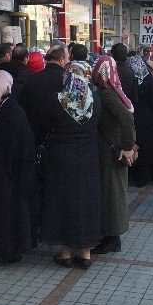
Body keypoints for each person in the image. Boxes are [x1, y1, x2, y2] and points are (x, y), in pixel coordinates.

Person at [39, 61, 103, 269]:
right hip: (88, 158)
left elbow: (45, 124)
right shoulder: (95, 100)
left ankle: (65, 252)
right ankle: (85, 253)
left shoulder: (55, 100)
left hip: (61, 158)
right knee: (86, 201)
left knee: (62, 201)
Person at [0, 71, 39, 265]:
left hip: (5, 172)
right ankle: (0, 249)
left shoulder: (2, 109)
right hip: (2, 172)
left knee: (4, 213)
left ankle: (5, 250)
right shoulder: (3, 108)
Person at [91, 56, 137, 255]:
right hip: (112, 149)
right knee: (111, 191)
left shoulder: (107, 95)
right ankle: (110, 234)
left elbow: (126, 118)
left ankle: (113, 237)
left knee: (112, 193)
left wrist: (127, 146)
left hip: (112, 152)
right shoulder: (111, 91)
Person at [127, 46, 153, 187]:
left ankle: (138, 177)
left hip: (133, 117)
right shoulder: (148, 79)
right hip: (148, 118)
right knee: (148, 147)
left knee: (135, 145)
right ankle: (151, 174)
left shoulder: (128, 80)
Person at [21, 44, 70, 146]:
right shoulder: (68, 81)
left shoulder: (31, 79)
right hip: (61, 139)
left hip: (35, 136)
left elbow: (23, 108)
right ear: (61, 60)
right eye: (68, 58)